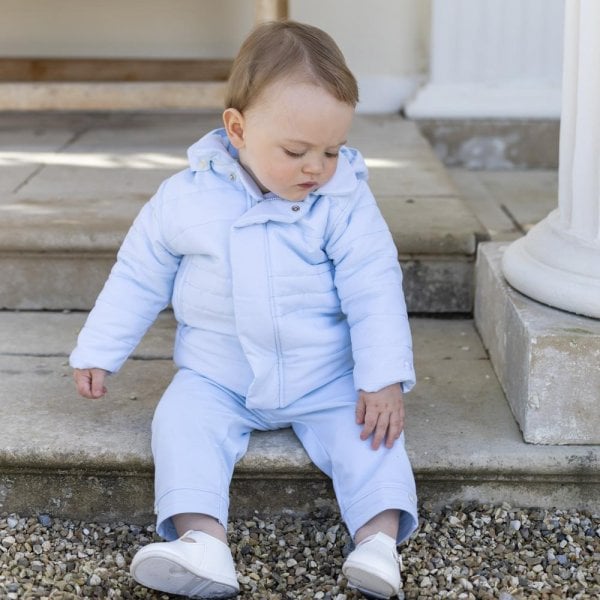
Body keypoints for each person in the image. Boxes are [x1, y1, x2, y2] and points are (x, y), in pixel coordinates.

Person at [70, 20, 418, 600]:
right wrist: (99, 351)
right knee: (180, 422)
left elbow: (374, 284)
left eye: (332, 150)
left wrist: (380, 377)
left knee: (375, 437)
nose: (317, 167)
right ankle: (202, 542)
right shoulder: (186, 198)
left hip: (326, 374)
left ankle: (378, 543)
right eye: (296, 151)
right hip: (219, 374)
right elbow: (138, 275)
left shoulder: (343, 199)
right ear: (237, 129)